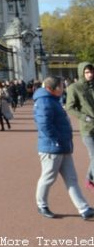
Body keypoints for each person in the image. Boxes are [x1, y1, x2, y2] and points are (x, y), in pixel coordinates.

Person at [34, 77, 94, 220]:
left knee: (71, 179)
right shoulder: (44, 101)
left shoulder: (51, 100)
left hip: (62, 145)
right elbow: (44, 125)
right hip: (52, 147)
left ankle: (83, 208)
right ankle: (41, 205)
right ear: (51, 88)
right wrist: (55, 141)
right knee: (48, 178)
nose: (63, 89)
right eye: (61, 87)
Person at [66, 62, 94, 192]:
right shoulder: (74, 87)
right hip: (88, 128)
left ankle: (89, 177)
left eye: (91, 72)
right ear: (81, 72)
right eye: (87, 72)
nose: (90, 75)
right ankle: (92, 180)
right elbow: (69, 108)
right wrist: (85, 117)